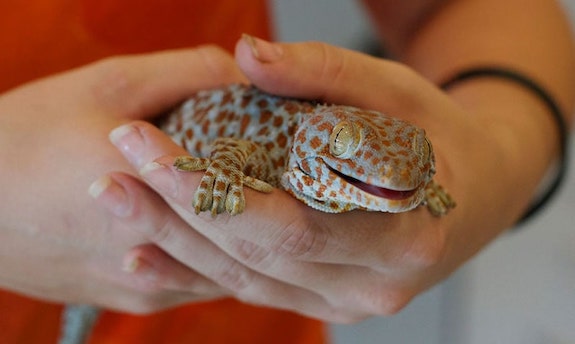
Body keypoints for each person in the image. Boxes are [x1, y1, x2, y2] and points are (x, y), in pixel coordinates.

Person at [0, 0, 573, 343]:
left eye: (415, 164)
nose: (401, 174)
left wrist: (499, 156)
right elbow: (233, 156)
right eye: (346, 143)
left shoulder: (356, 162)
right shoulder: (270, 153)